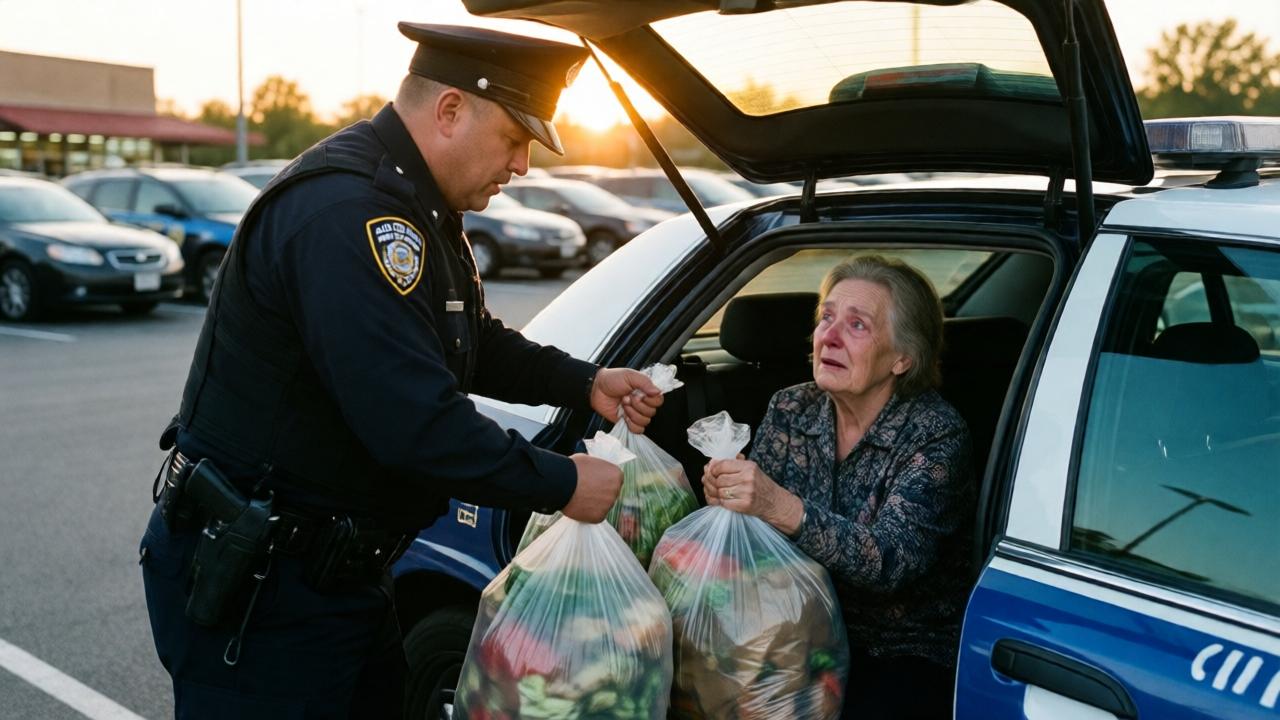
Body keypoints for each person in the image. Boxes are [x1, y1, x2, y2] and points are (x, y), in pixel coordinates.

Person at [139, 22, 664, 718]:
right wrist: (562, 482)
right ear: (449, 111)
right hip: (264, 592)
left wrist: (582, 382)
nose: (523, 167)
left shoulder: (416, 207)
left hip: (333, 577)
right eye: (514, 139)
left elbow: (466, 339)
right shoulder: (349, 215)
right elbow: (413, 423)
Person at [702, 254, 973, 719]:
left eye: (858, 325)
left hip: (898, 647)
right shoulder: (792, 407)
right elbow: (759, 539)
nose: (828, 336)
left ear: (903, 357)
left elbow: (892, 561)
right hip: (795, 621)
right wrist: (729, 498)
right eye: (826, 317)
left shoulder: (936, 433)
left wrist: (776, 505)